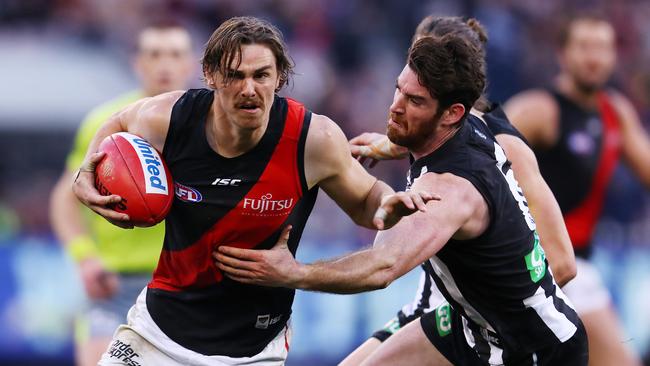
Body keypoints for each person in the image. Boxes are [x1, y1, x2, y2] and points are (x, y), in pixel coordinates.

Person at [71, 16, 436, 366]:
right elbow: (118, 123)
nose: (249, 89)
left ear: (279, 78)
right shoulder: (169, 118)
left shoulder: (313, 139)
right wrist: (86, 172)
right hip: (157, 335)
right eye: (235, 75)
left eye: (261, 75)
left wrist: (388, 203)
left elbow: (367, 199)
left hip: (253, 351)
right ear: (211, 76)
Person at [215, 33, 588, 365]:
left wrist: (292, 273)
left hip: (534, 350)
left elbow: (382, 267)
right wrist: (391, 143)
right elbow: (448, 120)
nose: (395, 106)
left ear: (451, 113)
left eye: (414, 101)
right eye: (399, 89)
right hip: (471, 326)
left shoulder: (449, 191)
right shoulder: (469, 120)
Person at [338, 16, 576, 365]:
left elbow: (563, 263)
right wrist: (388, 145)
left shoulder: (506, 144)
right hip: (436, 310)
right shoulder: (440, 134)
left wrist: (491, 316)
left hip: (470, 323)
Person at [503, 14, 647, 366]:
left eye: (603, 48)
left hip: (576, 267)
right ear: (562, 53)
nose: (594, 57)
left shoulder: (615, 112)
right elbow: (475, 146)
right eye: (584, 47)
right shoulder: (540, 109)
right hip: (536, 268)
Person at [49, 22, 194, 366]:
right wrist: (85, 257)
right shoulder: (106, 123)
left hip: (184, 284)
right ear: (137, 63)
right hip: (115, 284)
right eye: (153, 54)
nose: (164, 65)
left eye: (174, 55)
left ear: (189, 65)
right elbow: (65, 197)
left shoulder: (210, 126)